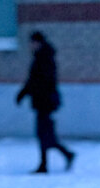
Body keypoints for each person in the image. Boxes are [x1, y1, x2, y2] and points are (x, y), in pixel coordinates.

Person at [16, 32, 75, 174]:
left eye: (32, 43)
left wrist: (26, 92)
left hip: (45, 102)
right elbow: (34, 80)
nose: (30, 46)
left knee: (44, 134)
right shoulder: (41, 57)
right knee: (45, 134)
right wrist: (24, 93)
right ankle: (62, 156)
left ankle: (48, 163)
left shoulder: (44, 58)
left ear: (38, 43)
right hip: (43, 102)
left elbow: (42, 81)